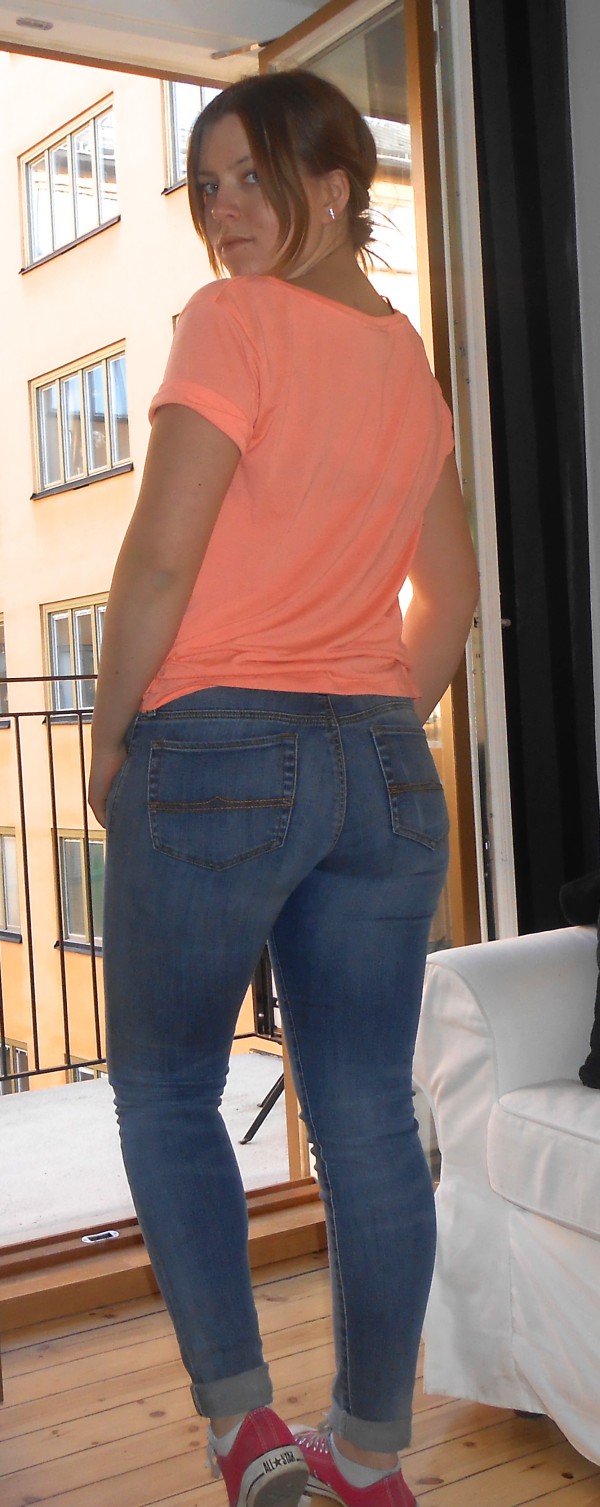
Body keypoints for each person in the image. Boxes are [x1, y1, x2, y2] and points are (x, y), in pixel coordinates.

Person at [89, 69, 479, 1507]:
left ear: (335, 185)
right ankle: (369, 1456)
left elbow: (159, 558)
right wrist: (368, 725)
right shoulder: (406, 360)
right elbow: (451, 596)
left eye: (254, 175)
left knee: (166, 1087)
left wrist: (109, 737)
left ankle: (245, 1434)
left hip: (214, 752)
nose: (224, 209)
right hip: (383, 768)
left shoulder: (232, 321)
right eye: (206, 186)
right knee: (368, 1113)